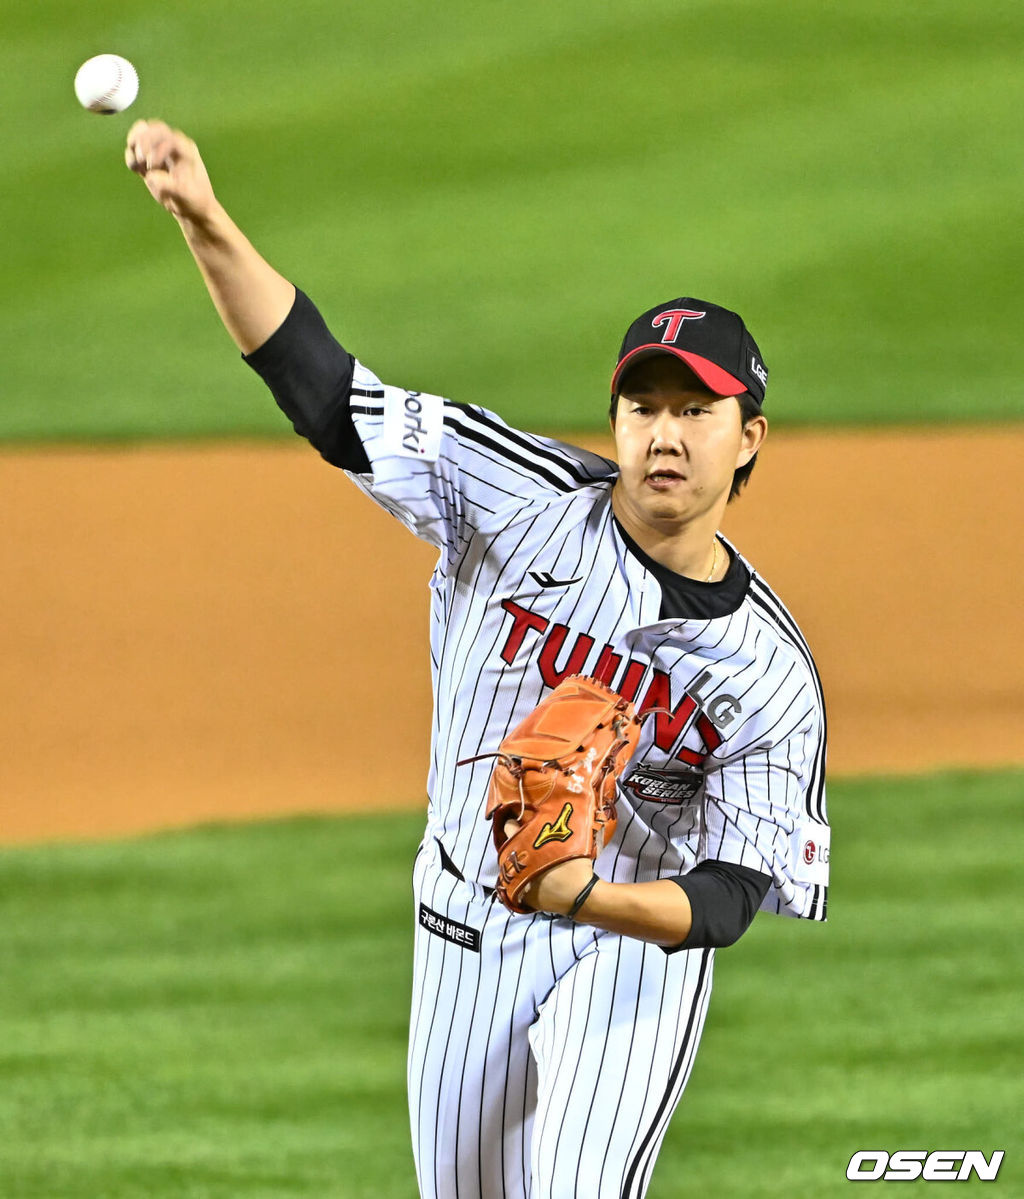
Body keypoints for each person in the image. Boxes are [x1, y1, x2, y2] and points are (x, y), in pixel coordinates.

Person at [126, 119, 829, 1199]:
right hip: (461, 918)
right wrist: (207, 220)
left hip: (628, 946)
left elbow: (732, 893)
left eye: (697, 411)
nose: (665, 436)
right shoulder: (515, 492)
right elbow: (328, 395)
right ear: (616, 418)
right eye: (643, 407)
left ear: (750, 438)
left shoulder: (769, 673)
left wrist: (581, 892)